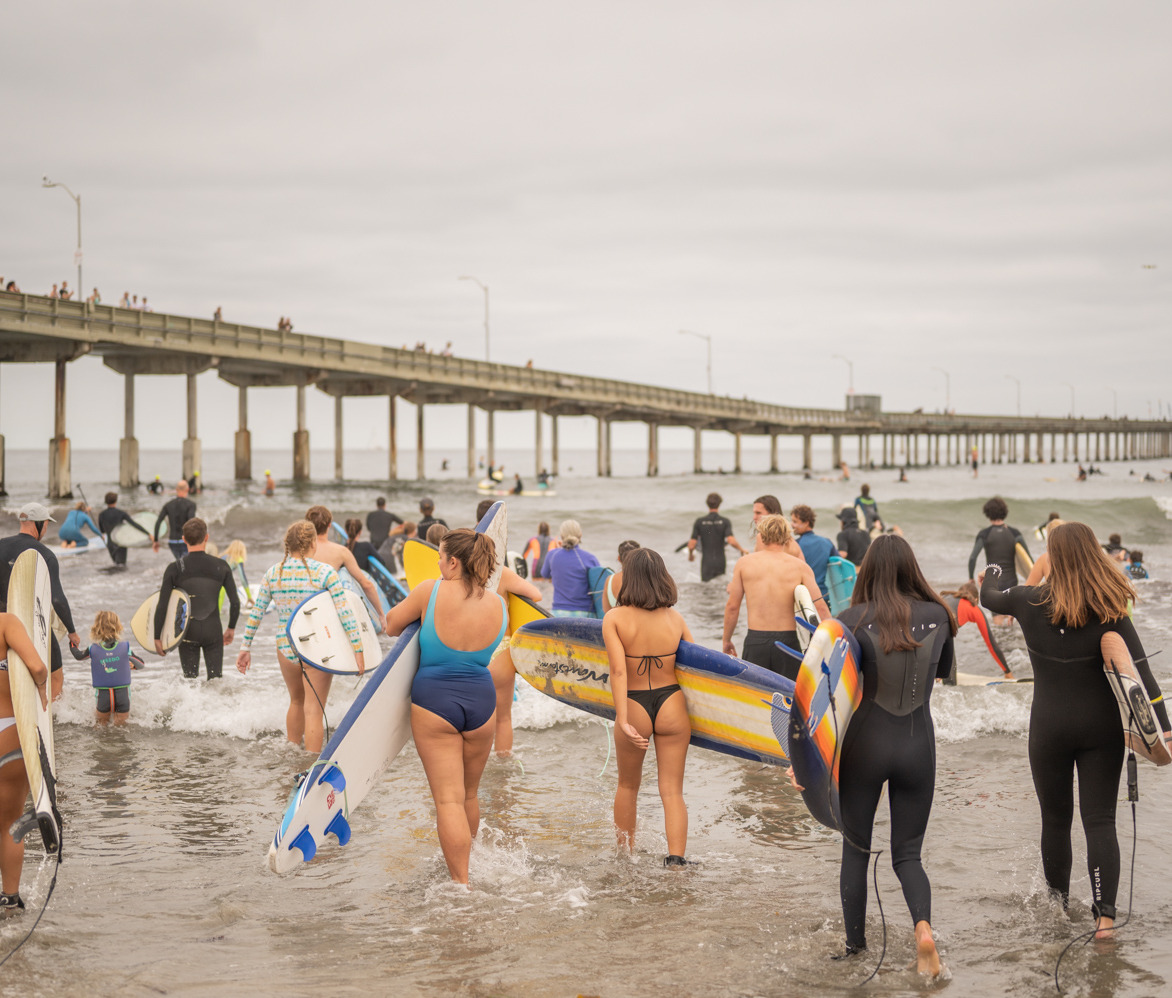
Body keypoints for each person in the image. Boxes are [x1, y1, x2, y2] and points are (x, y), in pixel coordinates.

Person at [980, 522, 1171, 939]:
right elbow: (1142, 674)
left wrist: (994, 569)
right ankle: (1104, 921)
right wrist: (1166, 731)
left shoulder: (1029, 599)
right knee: (1100, 821)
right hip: (1100, 729)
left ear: (1053, 557)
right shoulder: (1109, 606)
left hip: (1048, 727)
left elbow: (988, 597)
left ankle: (1057, 909)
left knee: (1055, 820)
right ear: (1092, 554)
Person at [795, 534, 954, 973]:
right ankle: (923, 930)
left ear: (866, 571)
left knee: (856, 850)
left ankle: (855, 948)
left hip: (865, 744)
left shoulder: (851, 619)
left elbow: (822, 699)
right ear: (911, 567)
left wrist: (806, 761)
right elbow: (940, 675)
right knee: (908, 854)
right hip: (919, 744)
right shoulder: (941, 615)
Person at [385, 528, 506, 884]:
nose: (437, 563)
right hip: (483, 703)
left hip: (436, 699)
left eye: (440, 557)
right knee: (469, 794)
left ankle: (461, 885)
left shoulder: (430, 590)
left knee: (448, 801)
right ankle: (472, 863)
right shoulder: (498, 604)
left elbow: (391, 625)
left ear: (453, 561)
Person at [237, 521, 365, 753]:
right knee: (314, 709)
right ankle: (310, 765)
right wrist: (358, 650)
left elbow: (257, 612)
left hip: (286, 647)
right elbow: (345, 613)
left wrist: (245, 647)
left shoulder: (273, 573)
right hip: (318, 649)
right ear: (313, 543)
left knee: (296, 701)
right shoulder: (325, 572)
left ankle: (292, 754)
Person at [603, 548, 695, 866]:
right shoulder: (676, 618)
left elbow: (618, 671)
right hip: (673, 703)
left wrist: (623, 719)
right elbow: (697, 671)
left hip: (634, 704)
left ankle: (625, 857)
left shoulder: (615, 618)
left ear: (629, 578)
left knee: (628, 785)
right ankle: (676, 860)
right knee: (672, 790)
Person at [723, 515, 828, 677]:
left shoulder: (744, 563)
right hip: (788, 643)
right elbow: (820, 607)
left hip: (755, 641)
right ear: (787, 537)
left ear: (762, 536)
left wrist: (727, 640)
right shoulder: (800, 567)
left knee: (753, 697)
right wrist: (834, 641)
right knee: (788, 697)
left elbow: (732, 607)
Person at [0, 503, 79, 702]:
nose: (46, 529)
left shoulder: (0, 545)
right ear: (39, 524)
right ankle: (50, 718)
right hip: (33, 624)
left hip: (2, 624)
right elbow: (57, 598)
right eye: (46, 524)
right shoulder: (45, 554)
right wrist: (72, 631)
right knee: (55, 677)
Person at [0, 612, 50, 913]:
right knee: (8, 823)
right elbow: (37, 666)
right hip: (8, 730)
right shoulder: (5, 622)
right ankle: (9, 900)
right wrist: (42, 687)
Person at [155, 518, 238, 680]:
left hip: (187, 631)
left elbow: (163, 604)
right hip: (213, 630)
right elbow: (235, 601)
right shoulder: (221, 565)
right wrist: (231, 628)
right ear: (206, 537)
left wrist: (157, 636)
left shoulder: (174, 568)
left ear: (184, 539)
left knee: (190, 682)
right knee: (215, 682)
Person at [304, 506, 383, 614]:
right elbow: (366, 584)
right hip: (327, 606)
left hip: (303, 606)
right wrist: (381, 614)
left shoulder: (298, 550)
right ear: (329, 525)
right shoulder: (341, 551)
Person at [70, 610, 143, 724]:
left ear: (96, 628)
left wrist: (72, 644)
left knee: (101, 727)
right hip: (122, 695)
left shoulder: (93, 649)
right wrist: (133, 665)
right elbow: (141, 664)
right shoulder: (125, 647)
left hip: (103, 696)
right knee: (121, 729)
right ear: (118, 627)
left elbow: (78, 656)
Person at [938, 582, 1014, 680]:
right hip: (940, 632)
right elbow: (991, 644)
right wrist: (1007, 671)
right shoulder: (973, 608)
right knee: (949, 678)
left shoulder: (948, 597)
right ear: (976, 599)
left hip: (922, 626)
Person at [966, 498, 1030, 600]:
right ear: (1004, 512)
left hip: (993, 582)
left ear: (987, 513)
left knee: (997, 615)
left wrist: (971, 578)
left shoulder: (984, 534)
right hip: (1012, 582)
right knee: (1009, 614)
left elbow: (973, 558)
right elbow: (1028, 559)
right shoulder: (1015, 533)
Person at [543, 520, 601, 616]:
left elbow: (545, 574)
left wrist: (557, 551)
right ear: (580, 535)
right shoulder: (590, 558)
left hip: (558, 614)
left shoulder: (552, 555)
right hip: (585, 614)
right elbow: (598, 585)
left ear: (562, 536)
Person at [687, 493, 746, 582]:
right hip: (720, 561)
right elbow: (731, 541)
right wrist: (741, 550)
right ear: (720, 503)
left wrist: (691, 555)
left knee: (706, 588)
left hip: (706, 562)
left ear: (707, 504)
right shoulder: (725, 521)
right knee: (719, 587)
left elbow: (691, 545)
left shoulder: (700, 522)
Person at [790, 505, 836, 599]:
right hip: (823, 596)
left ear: (806, 523)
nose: (791, 524)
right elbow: (838, 564)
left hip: (803, 598)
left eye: (795, 522)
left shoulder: (795, 545)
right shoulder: (827, 542)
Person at [97, 491, 151, 568]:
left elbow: (102, 530)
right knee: (121, 566)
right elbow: (134, 524)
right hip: (120, 543)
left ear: (106, 501)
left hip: (110, 544)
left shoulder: (101, 515)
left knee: (115, 564)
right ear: (116, 501)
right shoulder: (121, 513)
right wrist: (148, 533)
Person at [153, 480, 197, 561]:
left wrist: (156, 540)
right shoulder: (191, 505)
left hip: (172, 542)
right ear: (187, 489)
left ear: (176, 489)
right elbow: (192, 523)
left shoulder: (168, 505)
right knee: (186, 565)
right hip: (184, 541)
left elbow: (158, 522)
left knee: (180, 563)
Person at [601, 540, 641, 612]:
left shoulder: (610, 580)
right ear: (640, 558)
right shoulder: (644, 578)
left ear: (619, 558)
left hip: (616, 622)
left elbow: (607, 611)